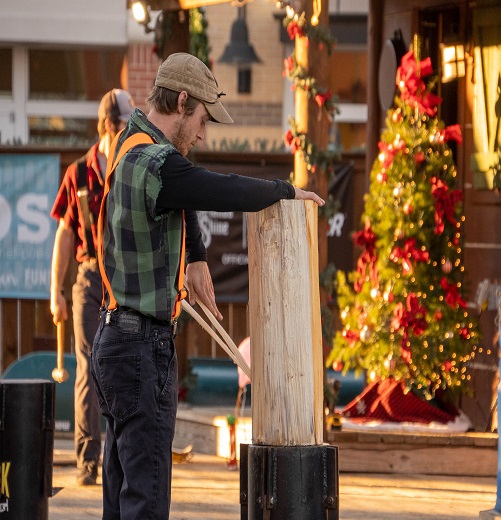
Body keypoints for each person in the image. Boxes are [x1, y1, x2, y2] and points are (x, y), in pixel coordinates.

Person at [90, 52, 324, 519]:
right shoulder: (160, 165)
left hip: (112, 341)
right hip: (141, 351)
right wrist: (285, 190)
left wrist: (195, 257)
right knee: (146, 501)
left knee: (119, 497)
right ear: (181, 100)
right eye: (201, 119)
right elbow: (220, 187)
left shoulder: (127, 140)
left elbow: (181, 191)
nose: (203, 133)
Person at [49, 89, 135, 486]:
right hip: (87, 280)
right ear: (110, 125)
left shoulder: (133, 167)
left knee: (117, 367)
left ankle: (117, 459)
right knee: (87, 364)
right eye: (127, 123)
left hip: (122, 280)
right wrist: (56, 291)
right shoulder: (78, 173)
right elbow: (65, 235)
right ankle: (88, 462)